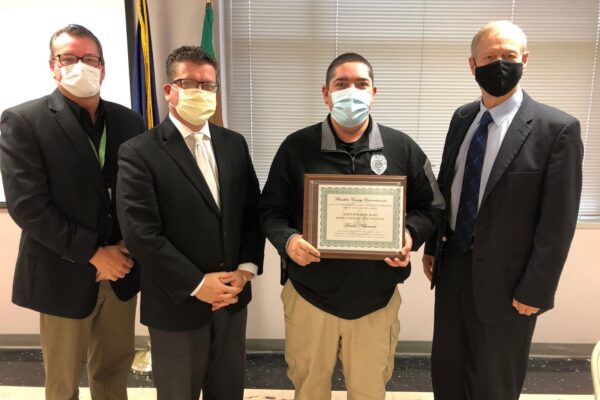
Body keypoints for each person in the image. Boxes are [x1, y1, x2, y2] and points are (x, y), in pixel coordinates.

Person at [259, 52, 444, 400]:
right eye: (341, 85)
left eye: (361, 84)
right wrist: (288, 241)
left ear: (375, 92)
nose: (351, 92)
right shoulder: (296, 147)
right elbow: (269, 210)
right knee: (309, 389)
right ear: (326, 93)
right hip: (309, 298)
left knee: (369, 391)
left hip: (376, 301)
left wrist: (408, 235)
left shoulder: (402, 148)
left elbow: (432, 206)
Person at [422, 20, 584, 400]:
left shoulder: (557, 128)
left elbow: (558, 223)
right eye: (490, 56)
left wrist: (537, 288)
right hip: (453, 273)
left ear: (525, 59)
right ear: (472, 65)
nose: (500, 64)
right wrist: (432, 247)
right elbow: (448, 188)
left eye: (509, 56)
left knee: (494, 385)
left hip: (511, 287)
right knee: (447, 376)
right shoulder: (462, 118)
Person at [0, 24, 144, 400]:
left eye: (90, 59)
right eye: (69, 58)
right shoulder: (23, 121)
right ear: (53, 66)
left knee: (113, 375)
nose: (81, 65)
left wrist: (125, 247)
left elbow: (142, 192)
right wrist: (95, 253)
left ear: (103, 67)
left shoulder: (130, 122)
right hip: (63, 271)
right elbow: (27, 205)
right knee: (62, 384)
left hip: (122, 271)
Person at [116, 46, 264, 400]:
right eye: (190, 82)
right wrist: (198, 283)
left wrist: (244, 270)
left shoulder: (233, 144)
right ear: (169, 90)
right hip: (176, 303)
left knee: (228, 391)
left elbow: (252, 212)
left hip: (232, 298)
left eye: (208, 85)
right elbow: (141, 234)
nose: (201, 92)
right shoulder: (139, 152)